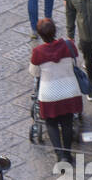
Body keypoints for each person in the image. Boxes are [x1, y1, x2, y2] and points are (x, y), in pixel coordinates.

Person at [29, 18, 82, 167]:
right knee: (67, 122)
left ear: (40, 35)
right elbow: (77, 63)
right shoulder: (69, 45)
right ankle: (67, 154)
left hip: (49, 95)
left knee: (51, 124)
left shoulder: (37, 52)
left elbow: (34, 72)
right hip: (69, 91)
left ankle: (60, 155)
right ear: (55, 30)